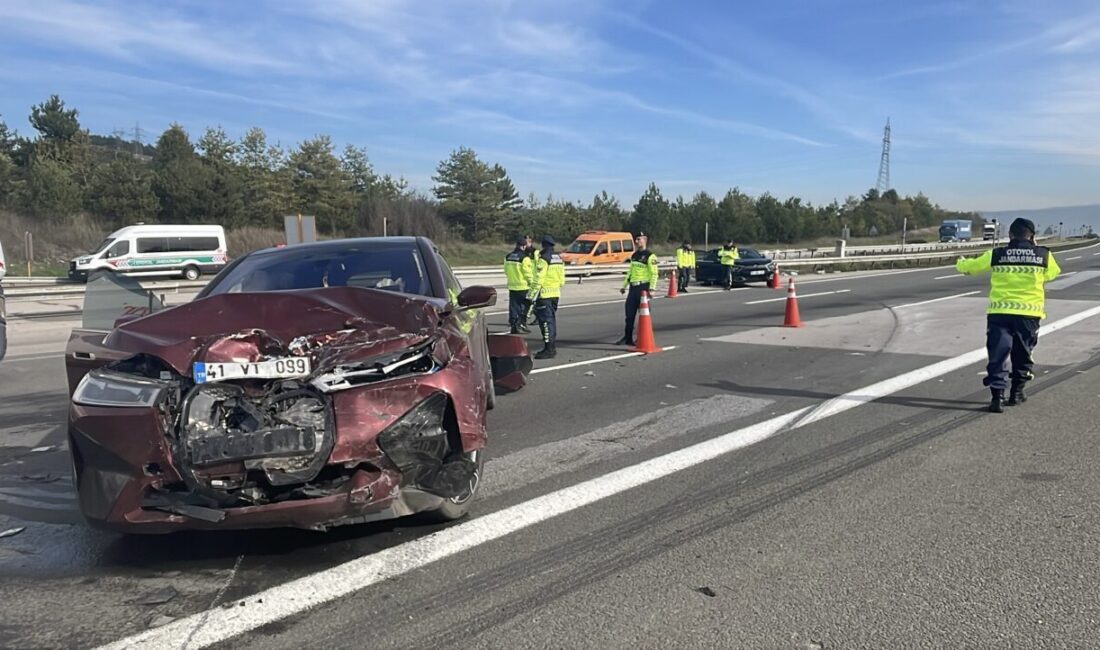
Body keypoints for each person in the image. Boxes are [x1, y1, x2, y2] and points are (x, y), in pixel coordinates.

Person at [956, 217, 1061, 413]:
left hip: (1000, 313)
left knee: (998, 354)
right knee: (1023, 354)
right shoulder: (1043, 255)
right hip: (1029, 314)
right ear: (1032, 236)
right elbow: (1052, 274)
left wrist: (961, 264)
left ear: (1010, 235)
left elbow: (971, 268)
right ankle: (1017, 393)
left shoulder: (997, 254)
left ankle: (997, 397)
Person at [616, 232, 660, 345]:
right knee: (629, 314)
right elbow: (630, 272)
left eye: (639, 239)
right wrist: (624, 286)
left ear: (645, 240)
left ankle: (642, 337)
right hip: (633, 288)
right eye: (636, 239)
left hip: (643, 287)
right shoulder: (634, 255)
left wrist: (652, 289)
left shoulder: (650, 256)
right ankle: (628, 337)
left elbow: (654, 273)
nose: (637, 242)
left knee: (644, 314)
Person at [528, 235, 565, 359]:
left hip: (544, 294)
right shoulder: (558, 258)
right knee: (551, 321)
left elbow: (539, 278)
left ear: (543, 245)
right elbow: (562, 279)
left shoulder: (544, 258)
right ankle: (551, 347)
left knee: (545, 323)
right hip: (555, 294)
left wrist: (531, 295)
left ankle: (549, 349)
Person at [504, 235, 534, 334]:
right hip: (523, 286)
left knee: (513, 307)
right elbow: (527, 273)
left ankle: (514, 326)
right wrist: (532, 284)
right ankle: (521, 324)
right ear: (524, 246)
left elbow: (506, 270)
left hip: (512, 286)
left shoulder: (508, 257)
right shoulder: (524, 258)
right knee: (527, 305)